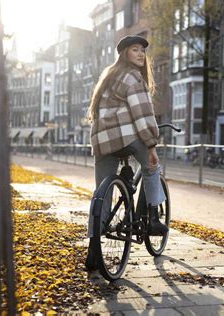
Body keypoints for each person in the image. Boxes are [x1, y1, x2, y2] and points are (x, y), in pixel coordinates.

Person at [85, 35, 168, 271]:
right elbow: (142, 114)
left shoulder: (108, 77)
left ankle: (93, 250)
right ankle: (152, 218)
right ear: (125, 54)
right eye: (135, 50)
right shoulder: (133, 77)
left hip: (102, 141)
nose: (141, 54)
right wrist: (151, 144)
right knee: (151, 166)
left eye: (143, 50)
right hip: (125, 137)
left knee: (101, 194)